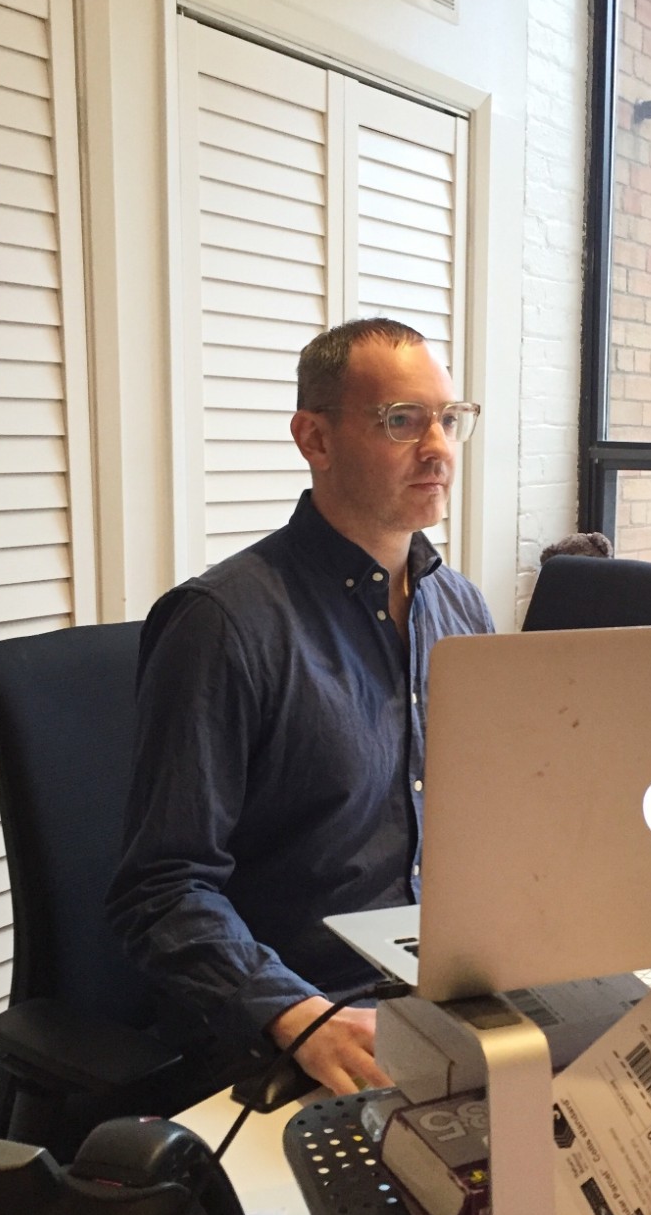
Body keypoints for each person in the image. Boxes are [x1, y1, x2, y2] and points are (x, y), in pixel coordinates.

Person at [106, 318, 493, 1095]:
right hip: (300, 1022)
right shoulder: (223, 624)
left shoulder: (461, 608)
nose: (439, 449)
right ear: (314, 439)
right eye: (402, 421)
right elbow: (163, 889)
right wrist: (298, 1015)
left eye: (449, 420)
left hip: (442, 998)